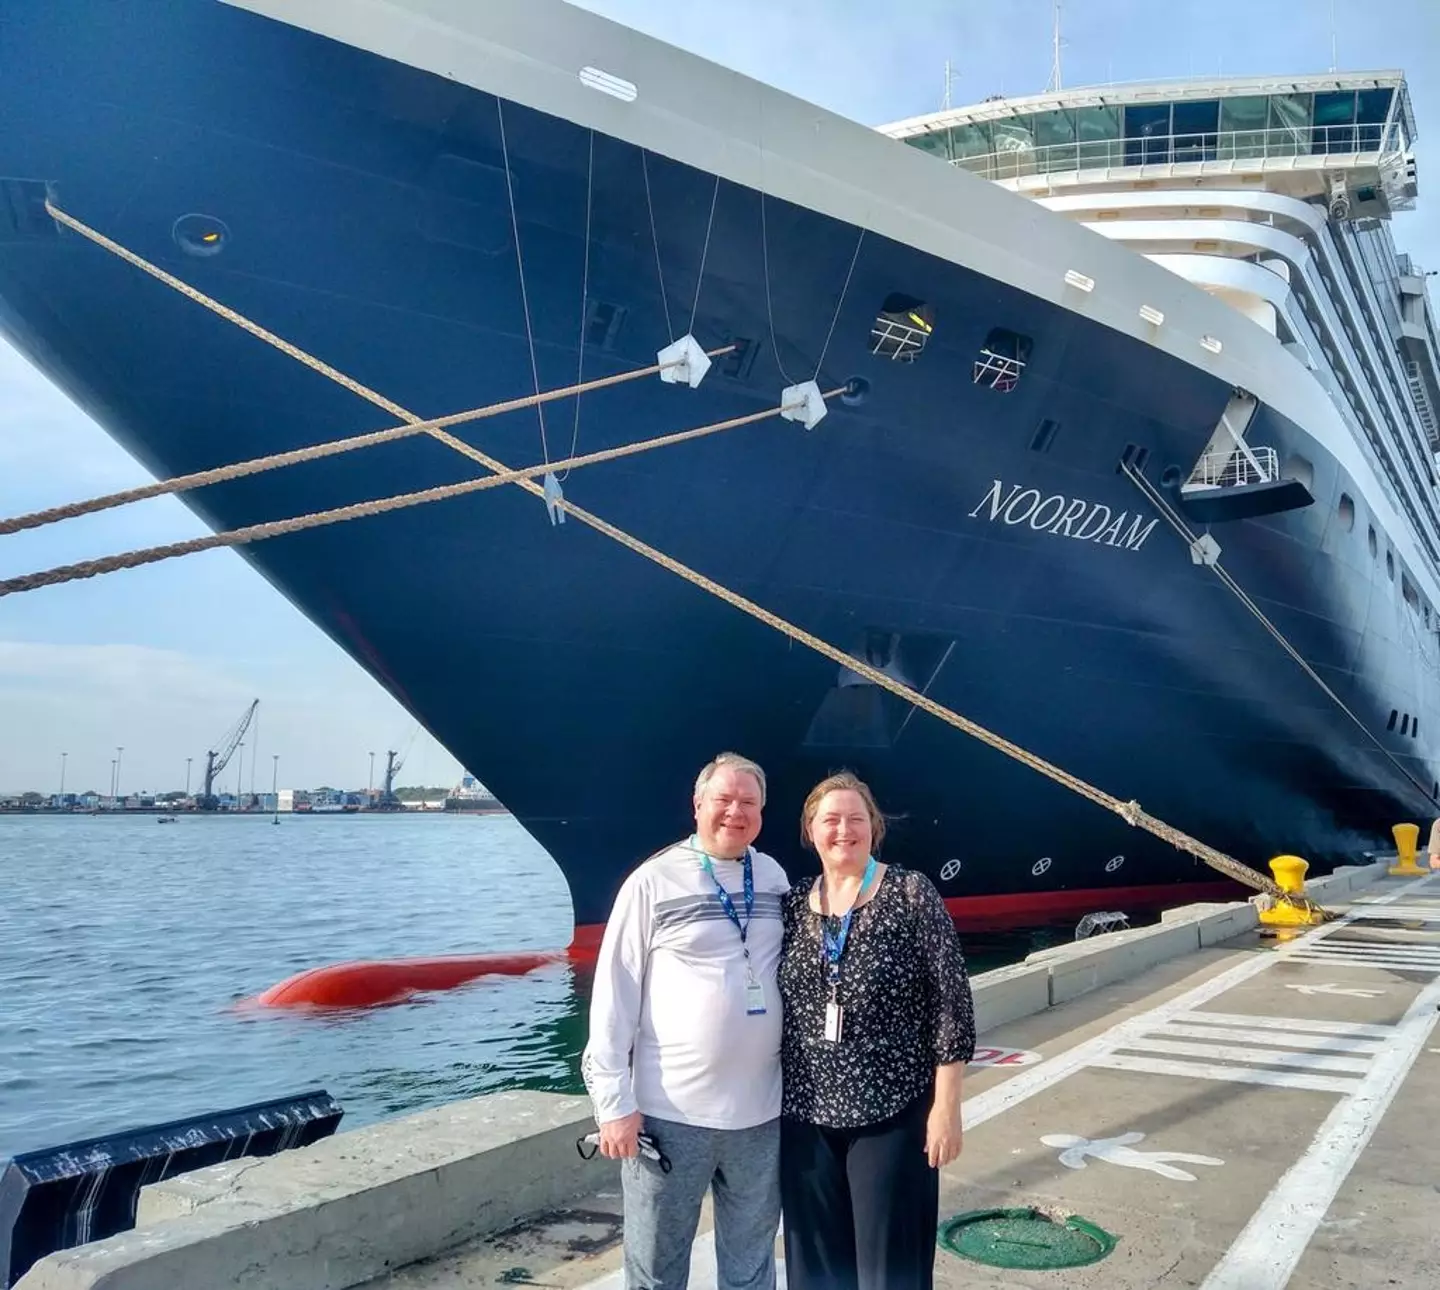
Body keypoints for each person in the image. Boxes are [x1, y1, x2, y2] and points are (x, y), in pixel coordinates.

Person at [581, 752, 789, 1289]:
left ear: (763, 811)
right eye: (723, 800)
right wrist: (613, 1105)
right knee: (656, 1266)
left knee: (752, 1263)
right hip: (670, 1118)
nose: (735, 812)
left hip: (761, 1117)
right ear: (698, 804)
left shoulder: (772, 877)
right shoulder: (652, 881)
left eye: (749, 802)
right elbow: (614, 996)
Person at [777, 771, 975, 1290]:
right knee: (815, 1272)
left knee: (890, 1272)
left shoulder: (910, 893)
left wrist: (946, 1107)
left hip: (891, 1113)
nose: (844, 830)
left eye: (856, 819)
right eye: (830, 820)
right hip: (805, 1115)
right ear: (810, 830)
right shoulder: (795, 902)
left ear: (874, 827)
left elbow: (952, 1003)